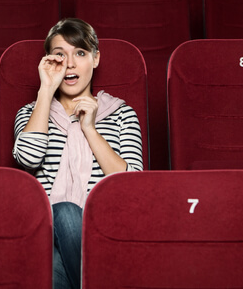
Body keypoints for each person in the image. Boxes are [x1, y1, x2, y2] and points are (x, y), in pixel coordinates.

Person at [13, 18, 143, 289]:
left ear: (95, 59)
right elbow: (28, 158)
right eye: (60, 55)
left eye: (80, 53)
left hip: (106, 231)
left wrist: (90, 129)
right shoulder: (31, 113)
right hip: (45, 235)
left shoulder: (121, 114)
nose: (70, 64)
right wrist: (46, 90)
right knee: (62, 216)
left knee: (56, 260)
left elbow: (132, 187)